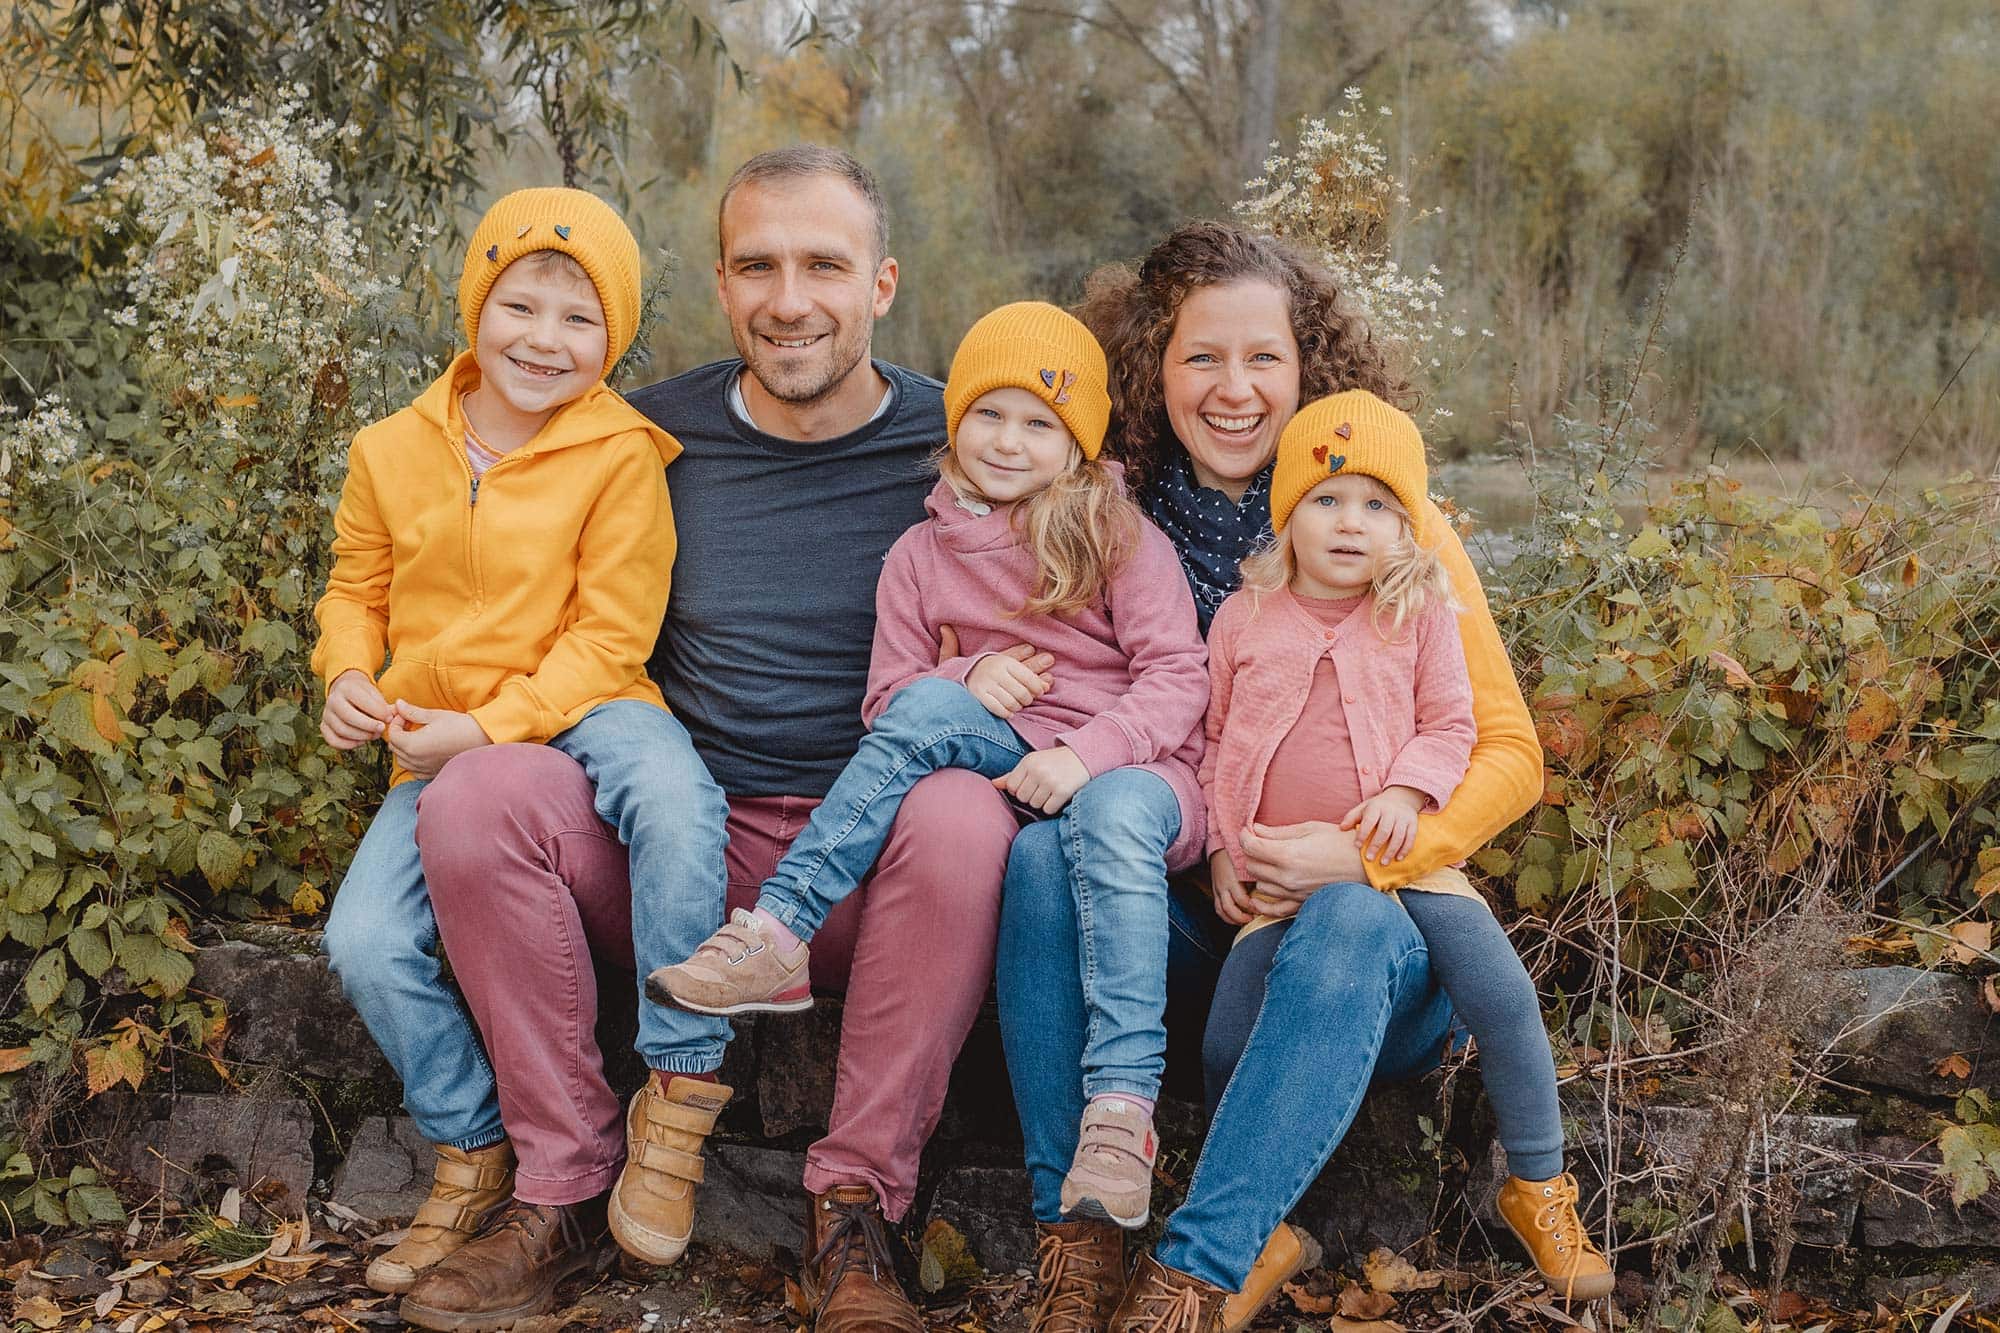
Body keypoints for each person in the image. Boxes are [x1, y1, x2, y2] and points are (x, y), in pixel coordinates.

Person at [403, 147, 1018, 1333]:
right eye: (758, 266)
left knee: (956, 811)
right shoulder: (638, 439)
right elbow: (510, 591)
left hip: (874, 867)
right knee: (478, 798)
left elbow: (1093, 613)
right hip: (678, 864)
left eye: (822, 265)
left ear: (881, 282)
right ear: (722, 287)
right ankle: (564, 1187)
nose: (789, 298)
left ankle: (852, 1211)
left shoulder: (970, 449)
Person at [997, 221, 1548, 1333]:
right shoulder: (1107, 518)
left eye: (1264, 358)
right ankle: (1080, 1241)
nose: (1234, 388)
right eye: (1202, 357)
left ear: (1308, 369)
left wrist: (1370, 849)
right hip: (1199, 920)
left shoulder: (1387, 517)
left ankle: (1199, 1270)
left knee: (1342, 917)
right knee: (1040, 859)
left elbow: (1506, 752)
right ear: (1153, 369)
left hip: (1370, 944)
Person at [652, 302, 1207, 1228]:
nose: (1009, 440)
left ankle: (1119, 1114)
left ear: (1077, 447)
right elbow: (889, 704)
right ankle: (777, 937)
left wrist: (1086, 753)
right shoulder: (918, 552)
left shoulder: (1113, 536)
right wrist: (968, 673)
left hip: (1119, 764)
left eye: (1041, 424)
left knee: (1047, 792)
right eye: (989, 413)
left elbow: (1177, 674)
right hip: (991, 753)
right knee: (924, 705)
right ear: (955, 422)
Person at [310, 187, 735, 1313]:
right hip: (438, 734)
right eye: (520, 306)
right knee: (360, 939)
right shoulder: (389, 449)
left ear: (614, 341)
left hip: (594, 696)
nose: (545, 339)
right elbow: (355, 589)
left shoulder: (620, 454)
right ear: (474, 305)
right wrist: (346, 676)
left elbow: (611, 634)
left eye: (579, 319)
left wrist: (495, 725)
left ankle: (679, 1088)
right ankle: (471, 1144)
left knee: (678, 801)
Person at [1203, 390, 1612, 1302]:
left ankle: (1538, 1184)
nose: (1353, 524)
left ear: (1409, 523)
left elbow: (1453, 724)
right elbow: (1216, 744)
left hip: (1409, 862)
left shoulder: (1418, 612)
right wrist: (1224, 850)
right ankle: (1259, 1232)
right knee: (1229, 1033)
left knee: (1502, 992)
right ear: (1287, 512)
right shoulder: (1244, 618)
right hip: (1278, 884)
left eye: (1380, 506)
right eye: (1328, 500)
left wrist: (1403, 791)